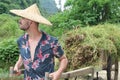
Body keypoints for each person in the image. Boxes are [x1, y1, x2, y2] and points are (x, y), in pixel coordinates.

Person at [10, 4, 68, 80]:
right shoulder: (21, 41)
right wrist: (17, 66)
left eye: (23, 18)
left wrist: (58, 72)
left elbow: (64, 59)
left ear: (30, 21)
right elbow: (22, 56)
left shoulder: (51, 42)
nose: (20, 20)